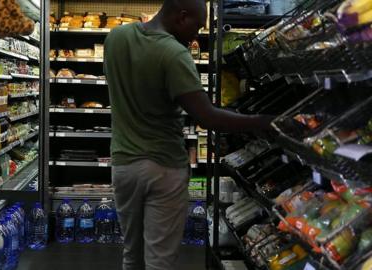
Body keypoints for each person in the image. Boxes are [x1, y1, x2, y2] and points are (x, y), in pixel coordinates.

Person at [104, 0, 273, 269]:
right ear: (182, 17)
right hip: (163, 167)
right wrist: (263, 121)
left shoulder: (116, 38)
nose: (197, 34)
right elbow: (207, 116)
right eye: (197, 26)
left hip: (124, 165)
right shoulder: (173, 54)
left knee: (131, 253)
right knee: (159, 259)